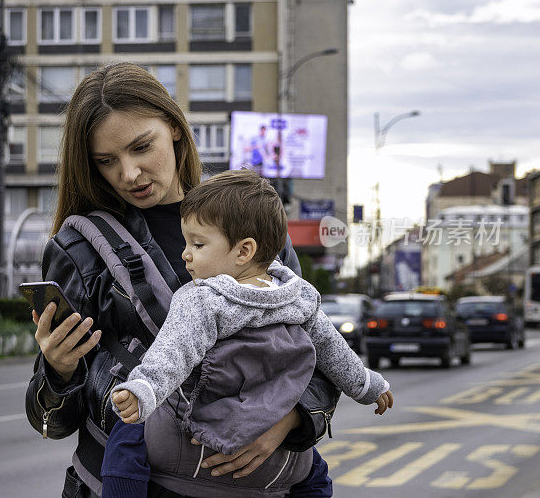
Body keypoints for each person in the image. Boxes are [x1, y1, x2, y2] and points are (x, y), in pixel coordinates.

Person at [25, 62, 341, 498]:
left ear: (174, 128)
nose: (129, 173)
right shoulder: (79, 247)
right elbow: (53, 421)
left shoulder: (249, 219)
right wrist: (58, 371)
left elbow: (314, 351)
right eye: (107, 161)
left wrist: (289, 421)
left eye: (141, 147)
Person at [107, 169, 394, 496]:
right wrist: (368, 385)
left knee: (125, 436)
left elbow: (172, 354)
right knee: (317, 474)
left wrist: (143, 389)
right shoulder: (299, 295)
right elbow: (334, 352)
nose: (186, 254)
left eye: (198, 244)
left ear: (243, 251)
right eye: (187, 242)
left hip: (210, 434)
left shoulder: (203, 298)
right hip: (279, 444)